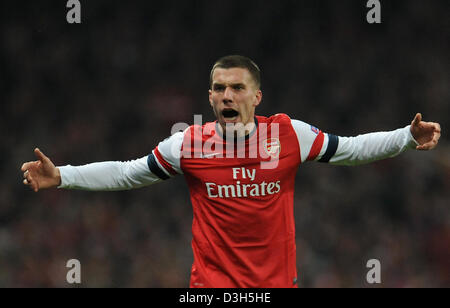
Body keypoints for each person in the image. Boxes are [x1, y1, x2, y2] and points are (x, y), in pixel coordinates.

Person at [21, 55, 441, 288]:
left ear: (256, 96)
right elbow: (129, 172)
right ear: (210, 95)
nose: (228, 94)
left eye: (237, 87)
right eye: (220, 88)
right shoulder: (188, 142)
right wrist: (65, 175)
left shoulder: (289, 135)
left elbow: (351, 149)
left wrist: (406, 136)